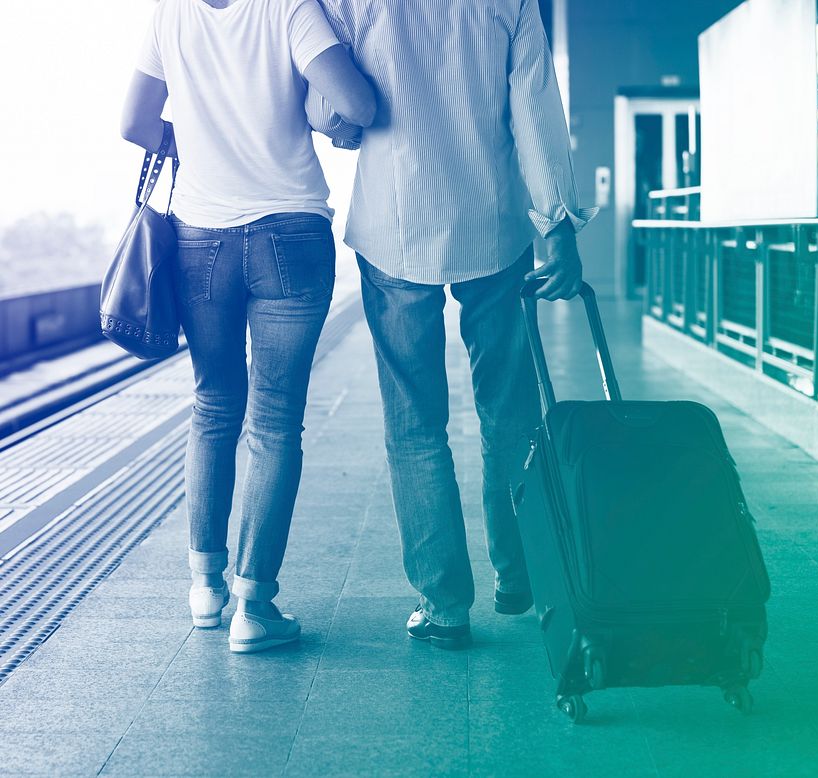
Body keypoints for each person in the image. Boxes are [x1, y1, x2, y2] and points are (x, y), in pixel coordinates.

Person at [319, 0, 596, 649]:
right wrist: (556, 226)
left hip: (394, 229)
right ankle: (518, 570)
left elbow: (331, 110)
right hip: (492, 225)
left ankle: (443, 604)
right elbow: (535, 109)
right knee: (508, 407)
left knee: (414, 423)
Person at [120, 0, 375, 653]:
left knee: (212, 406)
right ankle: (252, 607)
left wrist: (203, 141)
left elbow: (135, 122)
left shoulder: (169, 14)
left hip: (200, 239)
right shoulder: (288, 7)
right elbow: (360, 104)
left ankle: (205, 589)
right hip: (290, 233)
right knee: (275, 420)